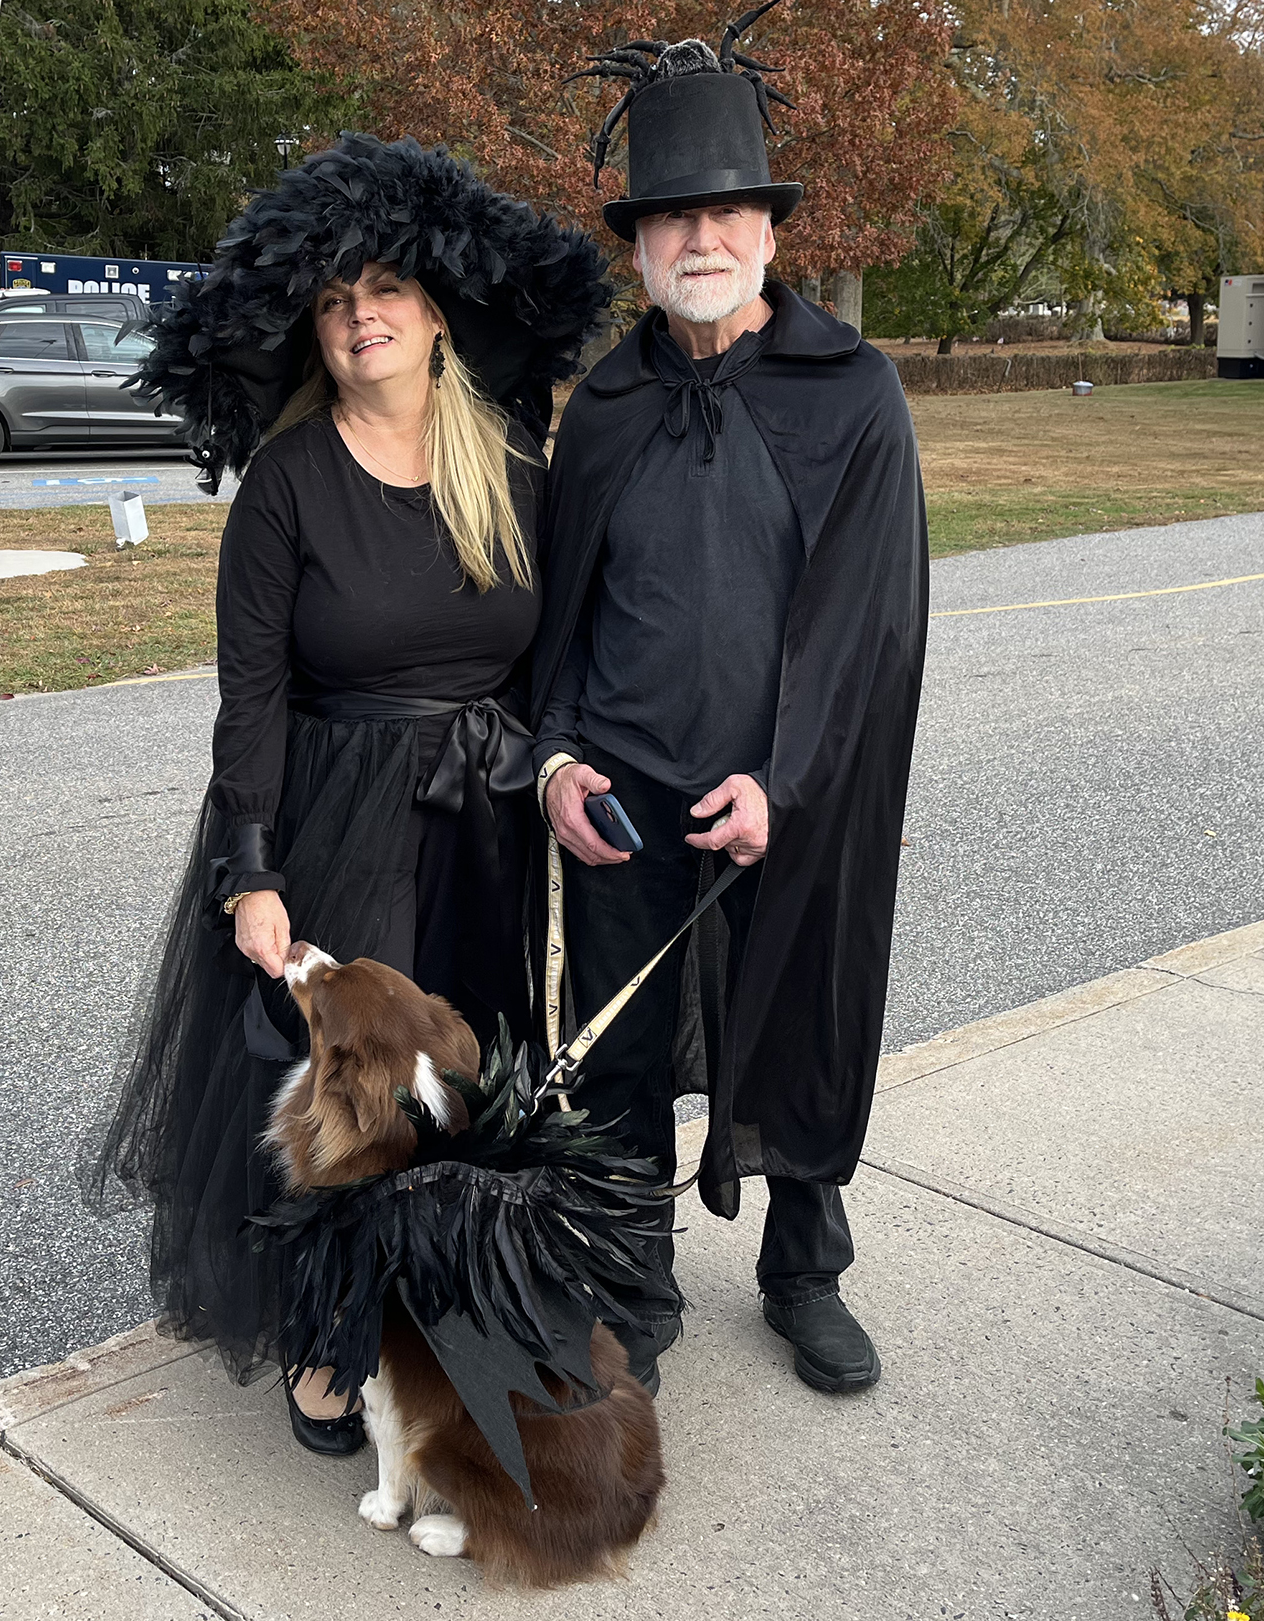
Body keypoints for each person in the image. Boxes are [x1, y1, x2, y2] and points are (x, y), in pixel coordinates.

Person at [85, 134, 607, 1455]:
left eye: (382, 287)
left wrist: (558, 770)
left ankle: (444, 1316)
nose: (360, 312)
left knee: (470, 1083)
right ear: (315, 331)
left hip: (485, 820)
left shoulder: (512, 466)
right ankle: (330, 1340)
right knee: (359, 1100)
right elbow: (248, 691)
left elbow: (554, 661)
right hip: (338, 822)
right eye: (333, 299)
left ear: (435, 310)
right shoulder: (288, 485)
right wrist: (249, 866)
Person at [533, 19, 929, 1394]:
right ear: (636, 247)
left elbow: (874, 629)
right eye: (670, 218)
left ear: (768, 229)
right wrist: (559, 762)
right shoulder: (608, 408)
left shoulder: (853, 396)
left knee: (805, 1025)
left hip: (790, 793)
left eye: (725, 211)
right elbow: (562, 620)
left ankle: (803, 1267)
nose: (699, 238)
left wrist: (790, 781)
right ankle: (636, 1286)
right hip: (629, 794)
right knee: (623, 1053)